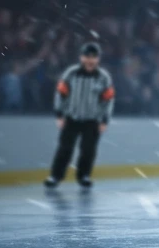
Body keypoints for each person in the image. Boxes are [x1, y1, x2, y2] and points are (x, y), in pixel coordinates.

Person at [45, 42, 115, 188]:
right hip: (71, 118)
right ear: (80, 58)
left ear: (98, 59)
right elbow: (60, 94)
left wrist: (104, 120)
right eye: (86, 57)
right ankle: (55, 176)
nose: (90, 60)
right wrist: (59, 114)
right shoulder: (71, 73)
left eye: (93, 57)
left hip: (92, 120)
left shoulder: (103, 77)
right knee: (65, 148)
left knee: (88, 150)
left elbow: (108, 100)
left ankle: (84, 175)